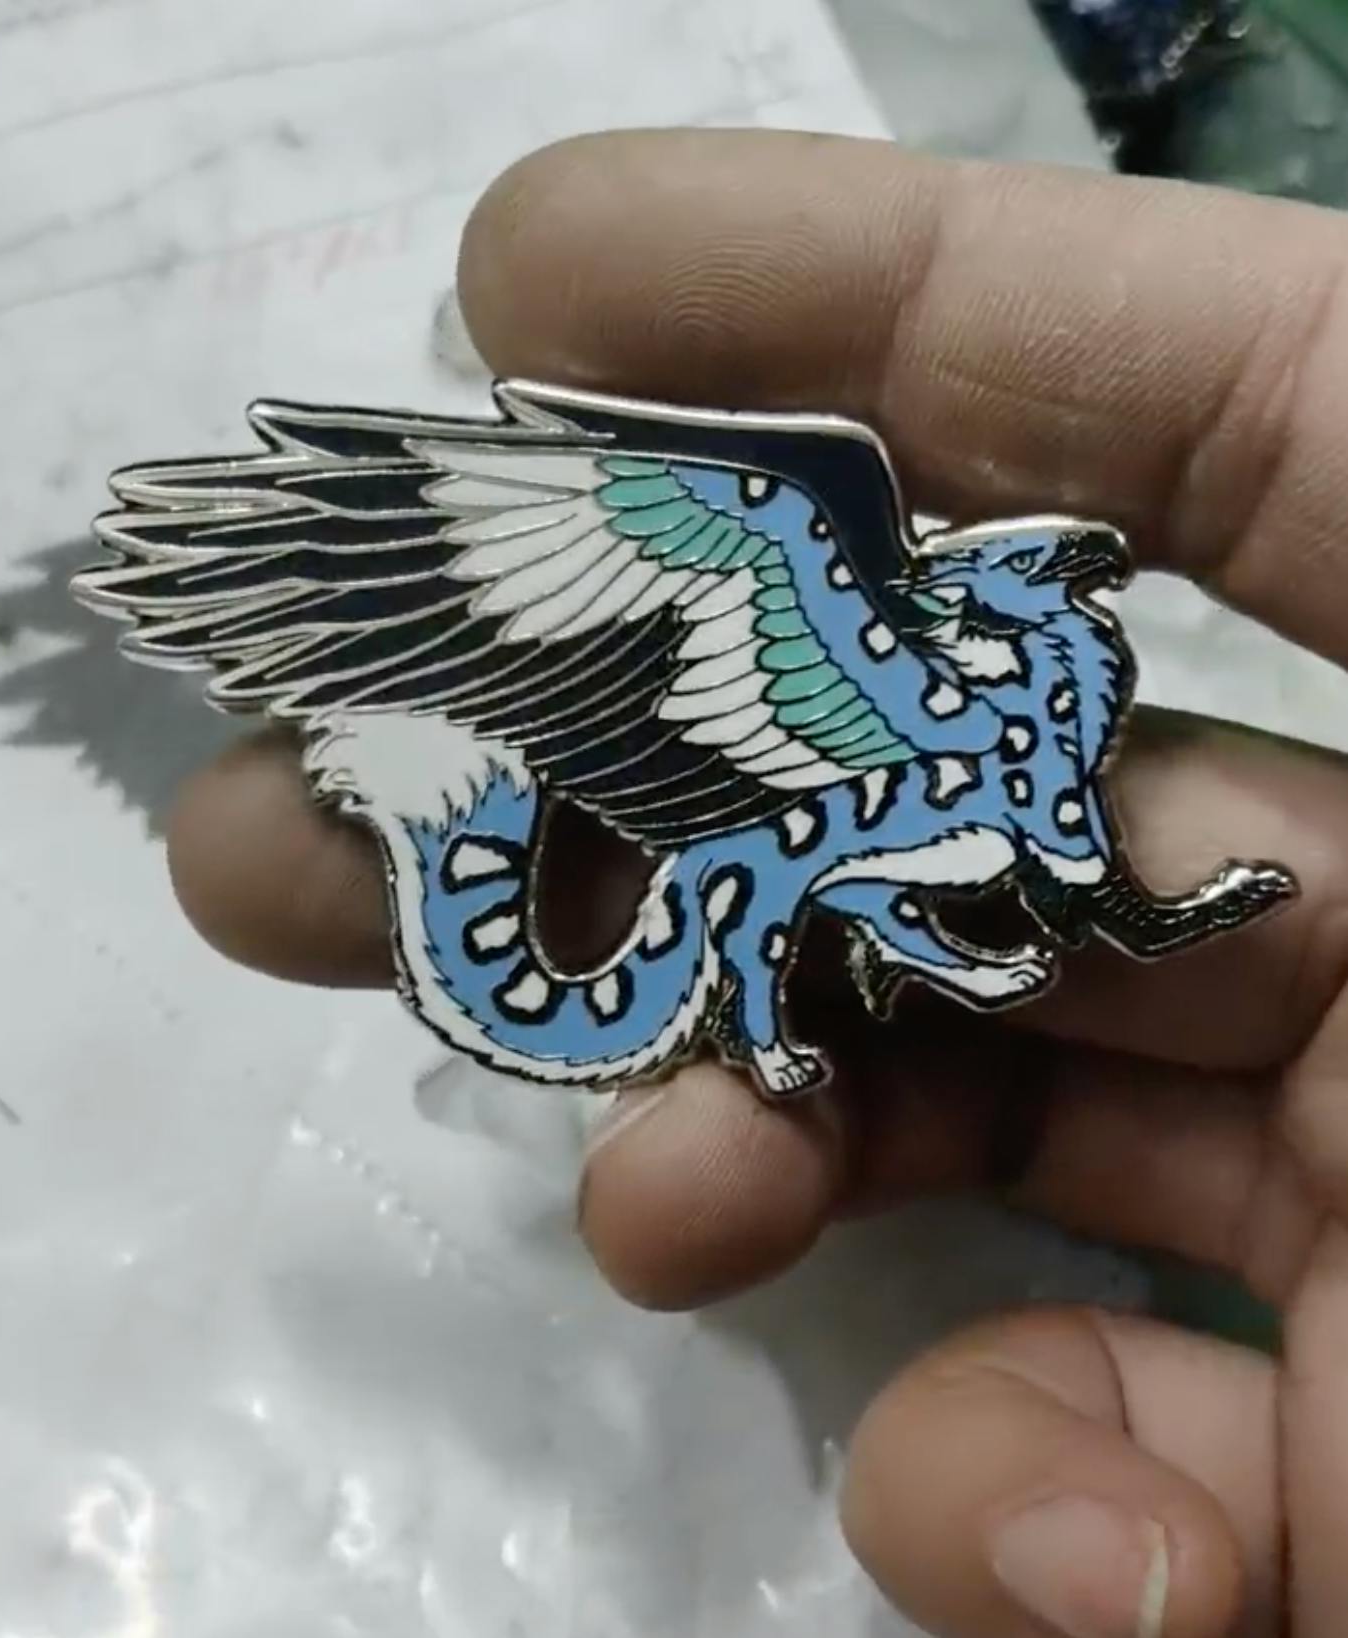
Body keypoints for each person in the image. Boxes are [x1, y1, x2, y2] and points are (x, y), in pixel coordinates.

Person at [162, 130, 1348, 1638]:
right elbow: (838, 854)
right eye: (1038, 584)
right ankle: (715, 982)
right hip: (740, 883)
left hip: (850, 894)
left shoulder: (1026, 723)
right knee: (765, 590)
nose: (1068, 591)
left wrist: (1133, 921)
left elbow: (1064, 869)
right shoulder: (867, 662)